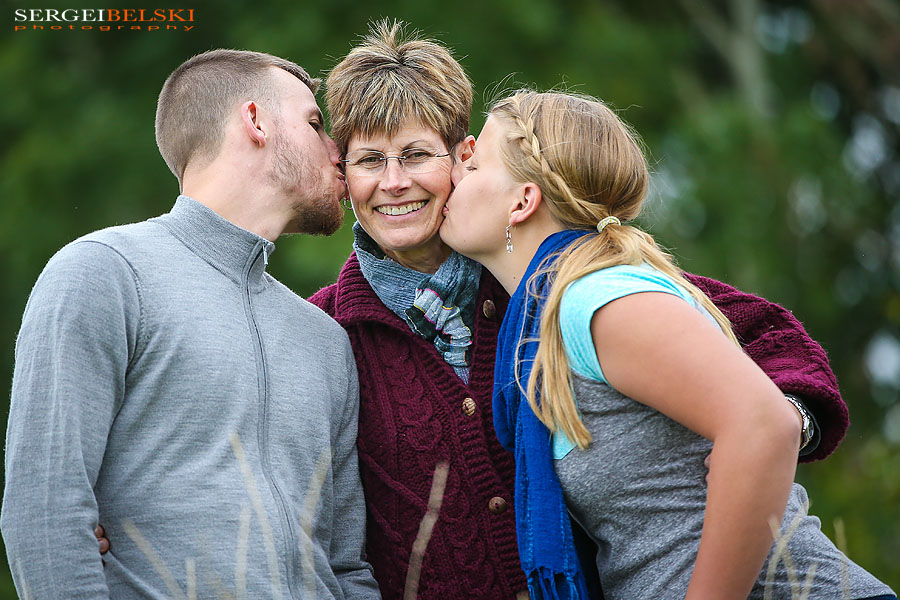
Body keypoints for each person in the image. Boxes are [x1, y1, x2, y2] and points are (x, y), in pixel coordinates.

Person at [309, 20, 851, 600]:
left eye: (416, 155)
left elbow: (764, 336)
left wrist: (779, 425)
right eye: (370, 160)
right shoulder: (323, 330)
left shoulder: (568, 279)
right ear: (344, 175)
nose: (393, 182)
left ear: (458, 158)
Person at [439, 89, 897, 599]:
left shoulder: (593, 298)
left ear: (522, 202)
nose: (455, 175)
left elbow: (765, 426)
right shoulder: (564, 303)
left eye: (475, 165)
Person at [1, 49, 380, 599]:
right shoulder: (104, 273)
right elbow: (45, 510)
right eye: (315, 123)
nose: (338, 153)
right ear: (255, 122)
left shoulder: (325, 339)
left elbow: (348, 567)